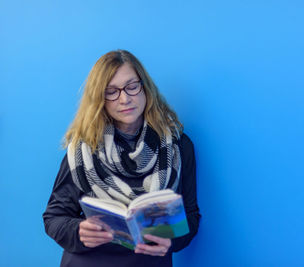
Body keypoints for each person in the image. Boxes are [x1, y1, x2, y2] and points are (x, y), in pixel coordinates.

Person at [43, 50, 201, 267]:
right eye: (111, 92)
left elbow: (191, 215)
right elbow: (54, 217)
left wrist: (172, 241)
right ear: (100, 98)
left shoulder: (177, 146)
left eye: (131, 86)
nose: (125, 99)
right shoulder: (84, 148)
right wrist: (78, 231)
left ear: (145, 87)